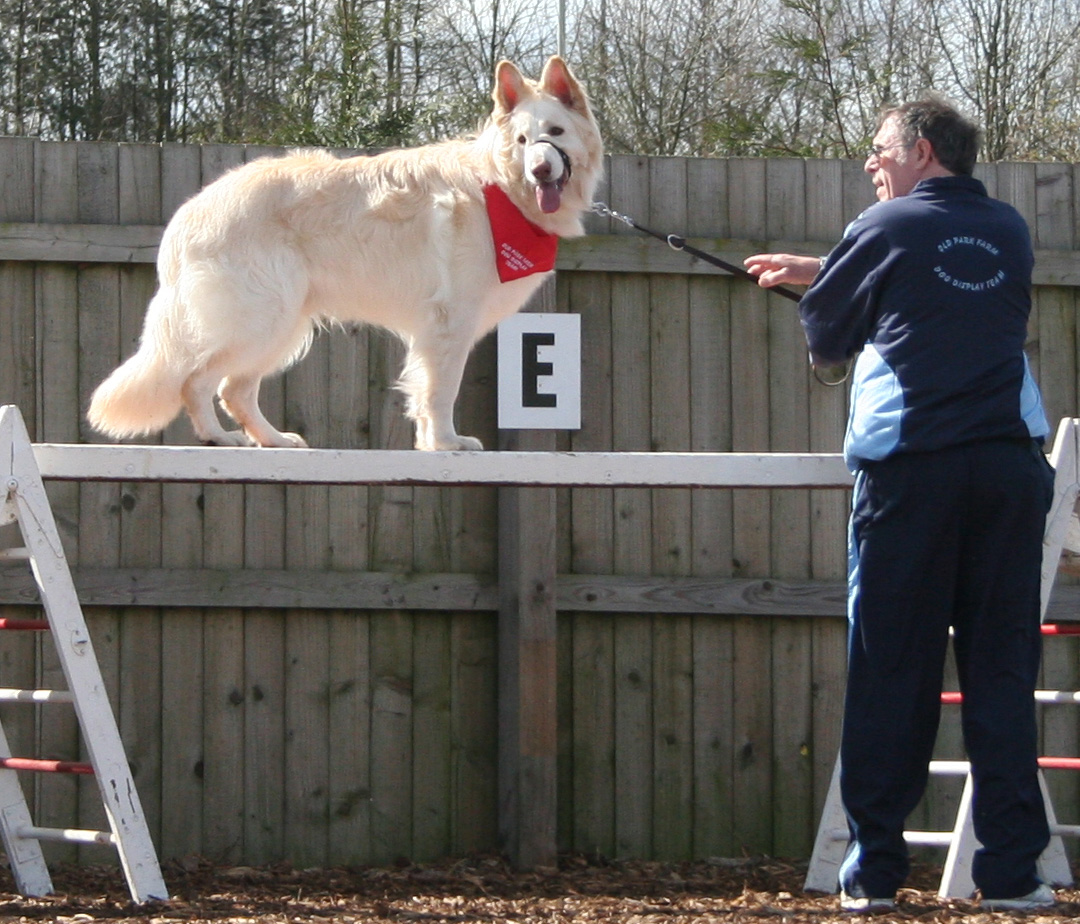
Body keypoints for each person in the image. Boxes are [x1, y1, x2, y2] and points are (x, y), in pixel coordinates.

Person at [745, 96, 1057, 912]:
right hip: (1006, 473)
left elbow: (831, 341)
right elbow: (938, 295)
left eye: (879, 149)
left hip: (913, 478)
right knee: (1000, 674)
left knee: (891, 674)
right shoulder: (1010, 229)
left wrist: (823, 288)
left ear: (920, 149)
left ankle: (876, 875)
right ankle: (1015, 877)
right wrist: (829, 269)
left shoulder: (879, 228)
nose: (870, 163)